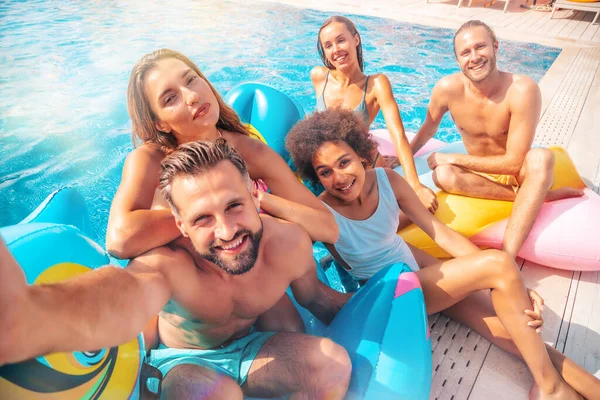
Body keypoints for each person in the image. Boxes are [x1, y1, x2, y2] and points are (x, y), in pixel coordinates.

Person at [0, 139, 353, 400]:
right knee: (218, 394)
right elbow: (125, 293)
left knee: (332, 364)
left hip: (252, 349)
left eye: (234, 206)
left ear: (253, 196)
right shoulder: (169, 265)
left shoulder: (289, 244)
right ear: (181, 226)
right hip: (180, 362)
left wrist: (395, 292)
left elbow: (318, 299)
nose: (227, 232)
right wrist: (33, 318)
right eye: (202, 218)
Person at [286, 109, 600, 400]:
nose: (339, 178)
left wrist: (512, 283)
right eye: (325, 172)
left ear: (362, 155)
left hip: (423, 275)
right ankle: (550, 387)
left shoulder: (388, 180)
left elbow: (440, 233)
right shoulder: (323, 213)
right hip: (392, 296)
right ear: (315, 177)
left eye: (344, 162)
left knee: (517, 333)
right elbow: (282, 219)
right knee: (499, 263)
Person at [107, 49, 338, 261]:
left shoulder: (250, 151)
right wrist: (204, 216)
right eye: (170, 98)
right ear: (160, 124)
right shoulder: (150, 160)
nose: (192, 96)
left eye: (191, 80)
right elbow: (119, 240)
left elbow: (327, 227)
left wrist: (255, 200)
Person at [410, 20, 583, 259]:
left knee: (541, 157)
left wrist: (450, 157)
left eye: (480, 47)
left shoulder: (522, 89)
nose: (474, 57)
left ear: (495, 46)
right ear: (458, 60)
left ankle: (507, 258)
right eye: (465, 52)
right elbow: (428, 129)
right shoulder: (447, 89)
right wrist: (403, 155)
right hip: (480, 175)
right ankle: (536, 196)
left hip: (517, 171)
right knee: (443, 174)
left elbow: (513, 163)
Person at [311, 16, 438, 213]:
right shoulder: (319, 76)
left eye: (341, 40)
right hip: (327, 168)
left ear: (356, 40)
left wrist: (415, 185)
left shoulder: (376, 84)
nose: (335, 50)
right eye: (328, 45)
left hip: (360, 169)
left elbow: (397, 134)